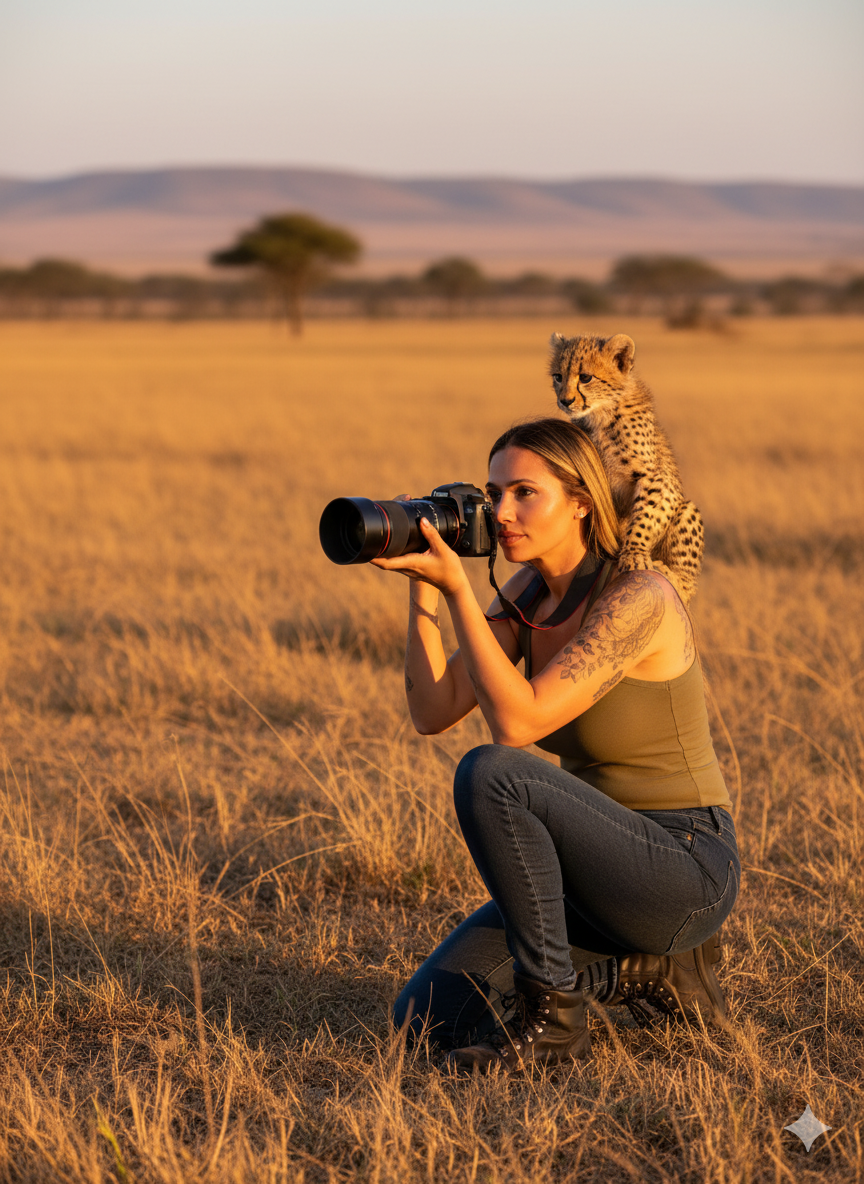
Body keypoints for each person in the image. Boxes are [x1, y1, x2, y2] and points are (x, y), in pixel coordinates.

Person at [372, 418, 739, 1072]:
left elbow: (518, 727)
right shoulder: (529, 594)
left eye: (523, 493)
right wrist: (425, 595)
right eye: (493, 493)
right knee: (424, 1019)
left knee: (495, 771)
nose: (501, 512)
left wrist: (461, 588)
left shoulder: (638, 596)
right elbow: (432, 711)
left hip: (682, 866)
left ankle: (555, 1024)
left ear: (581, 503)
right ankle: (655, 972)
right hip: (592, 876)